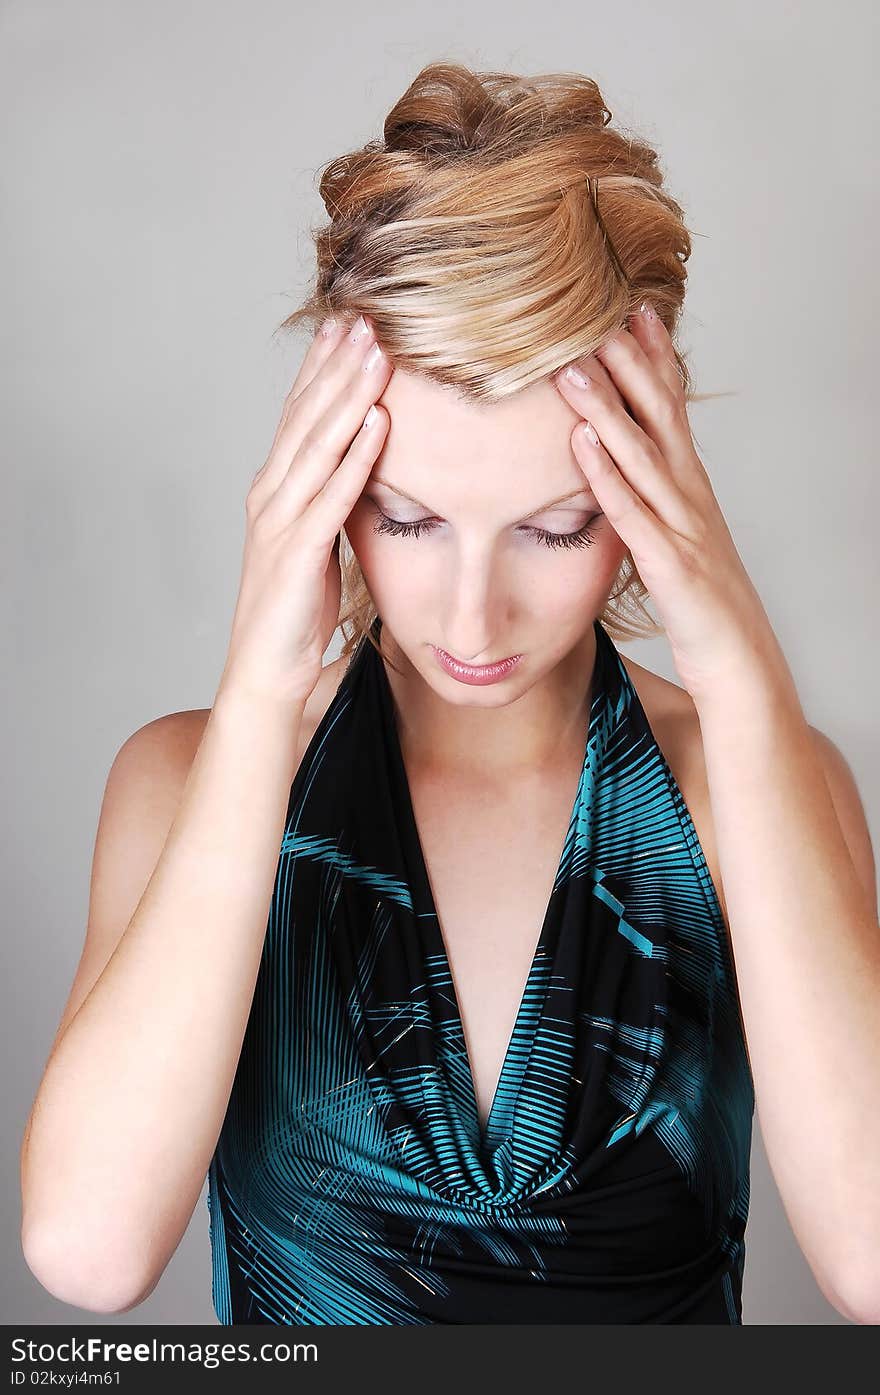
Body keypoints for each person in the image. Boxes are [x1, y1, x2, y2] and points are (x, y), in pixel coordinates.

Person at [19, 63, 879, 1326]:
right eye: (408, 519)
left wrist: (739, 661)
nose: (473, 620)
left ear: (655, 498)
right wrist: (261, 692)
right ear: (324, 489)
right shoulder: (185, 782)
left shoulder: (749, 779)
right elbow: (87, 1256)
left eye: (556, 528)